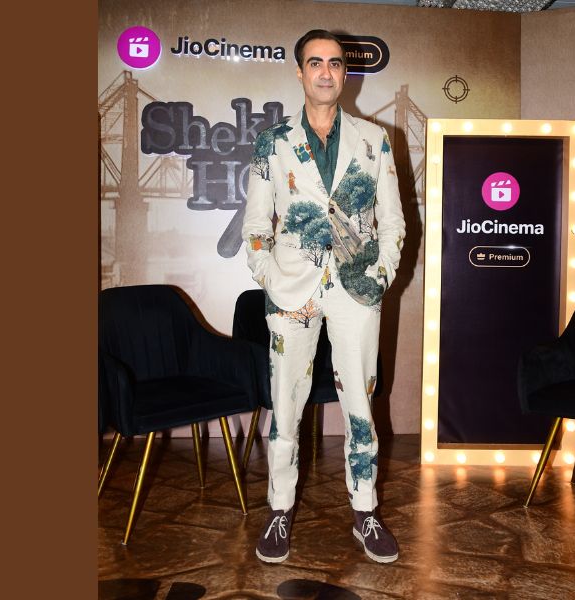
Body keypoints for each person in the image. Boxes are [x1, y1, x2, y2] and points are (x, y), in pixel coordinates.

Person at [242, 29, 405, 565]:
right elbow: (256, 225)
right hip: (291, 289)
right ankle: (279, 509)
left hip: (356, 289)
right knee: (285, 406)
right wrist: (270, 277)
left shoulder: (375, 138)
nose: (326, 72)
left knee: (361, 405)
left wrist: (379, 275)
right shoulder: (272, 141)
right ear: (300, 72)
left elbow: (393, 220)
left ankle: (365, 511)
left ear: (345, 73)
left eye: (335, 63)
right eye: (315, 63)